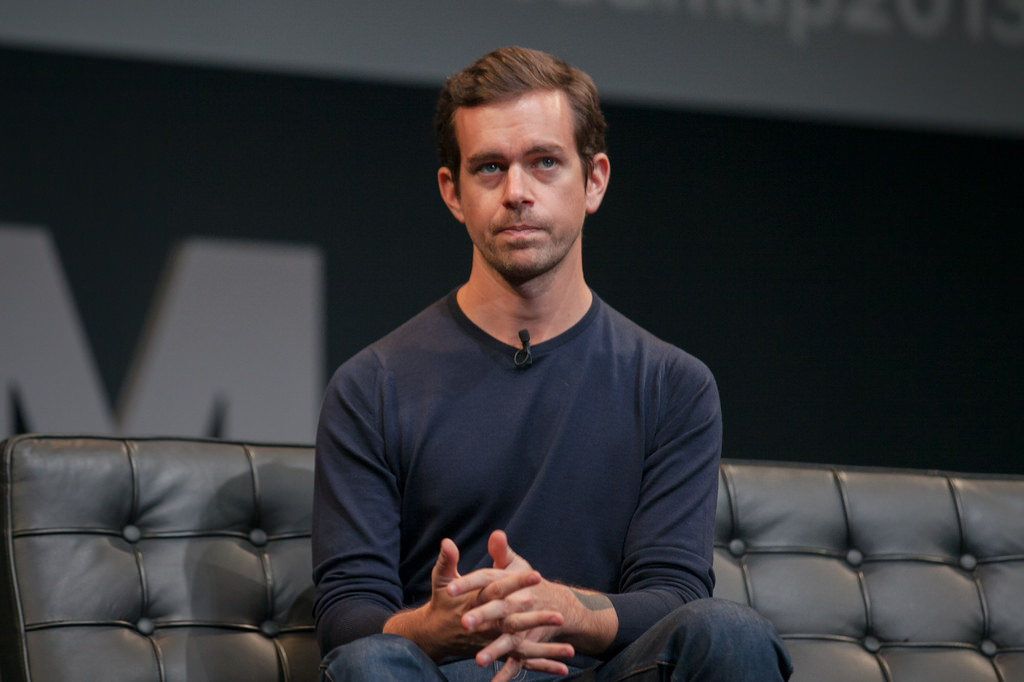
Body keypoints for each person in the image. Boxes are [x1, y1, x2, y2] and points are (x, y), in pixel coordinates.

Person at [312, 46, 793, 681]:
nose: (517, 193)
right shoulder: (371, 386)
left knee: (729, 632)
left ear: (593, 180)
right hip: (448, 673)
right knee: (372, 662)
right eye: (490, 167)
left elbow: (674, 593)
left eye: (544, 162)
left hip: (599, 671)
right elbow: (346, 618)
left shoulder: (674, 386)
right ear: (453, 192)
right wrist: (439, 626)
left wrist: (562, 609)